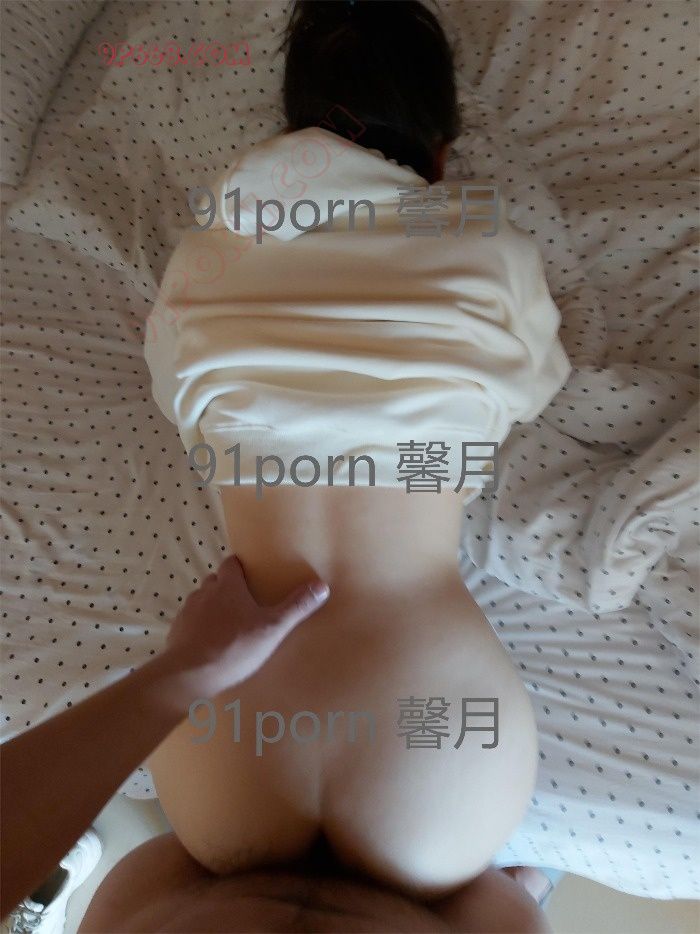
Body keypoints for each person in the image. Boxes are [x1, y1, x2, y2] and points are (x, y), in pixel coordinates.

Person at [1, 555, 551, 933]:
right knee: (514, 886)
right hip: (412, 873)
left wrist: (189, 667)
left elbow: (150, 880)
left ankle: (527, 884)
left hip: (227, 873)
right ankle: (530, 883)